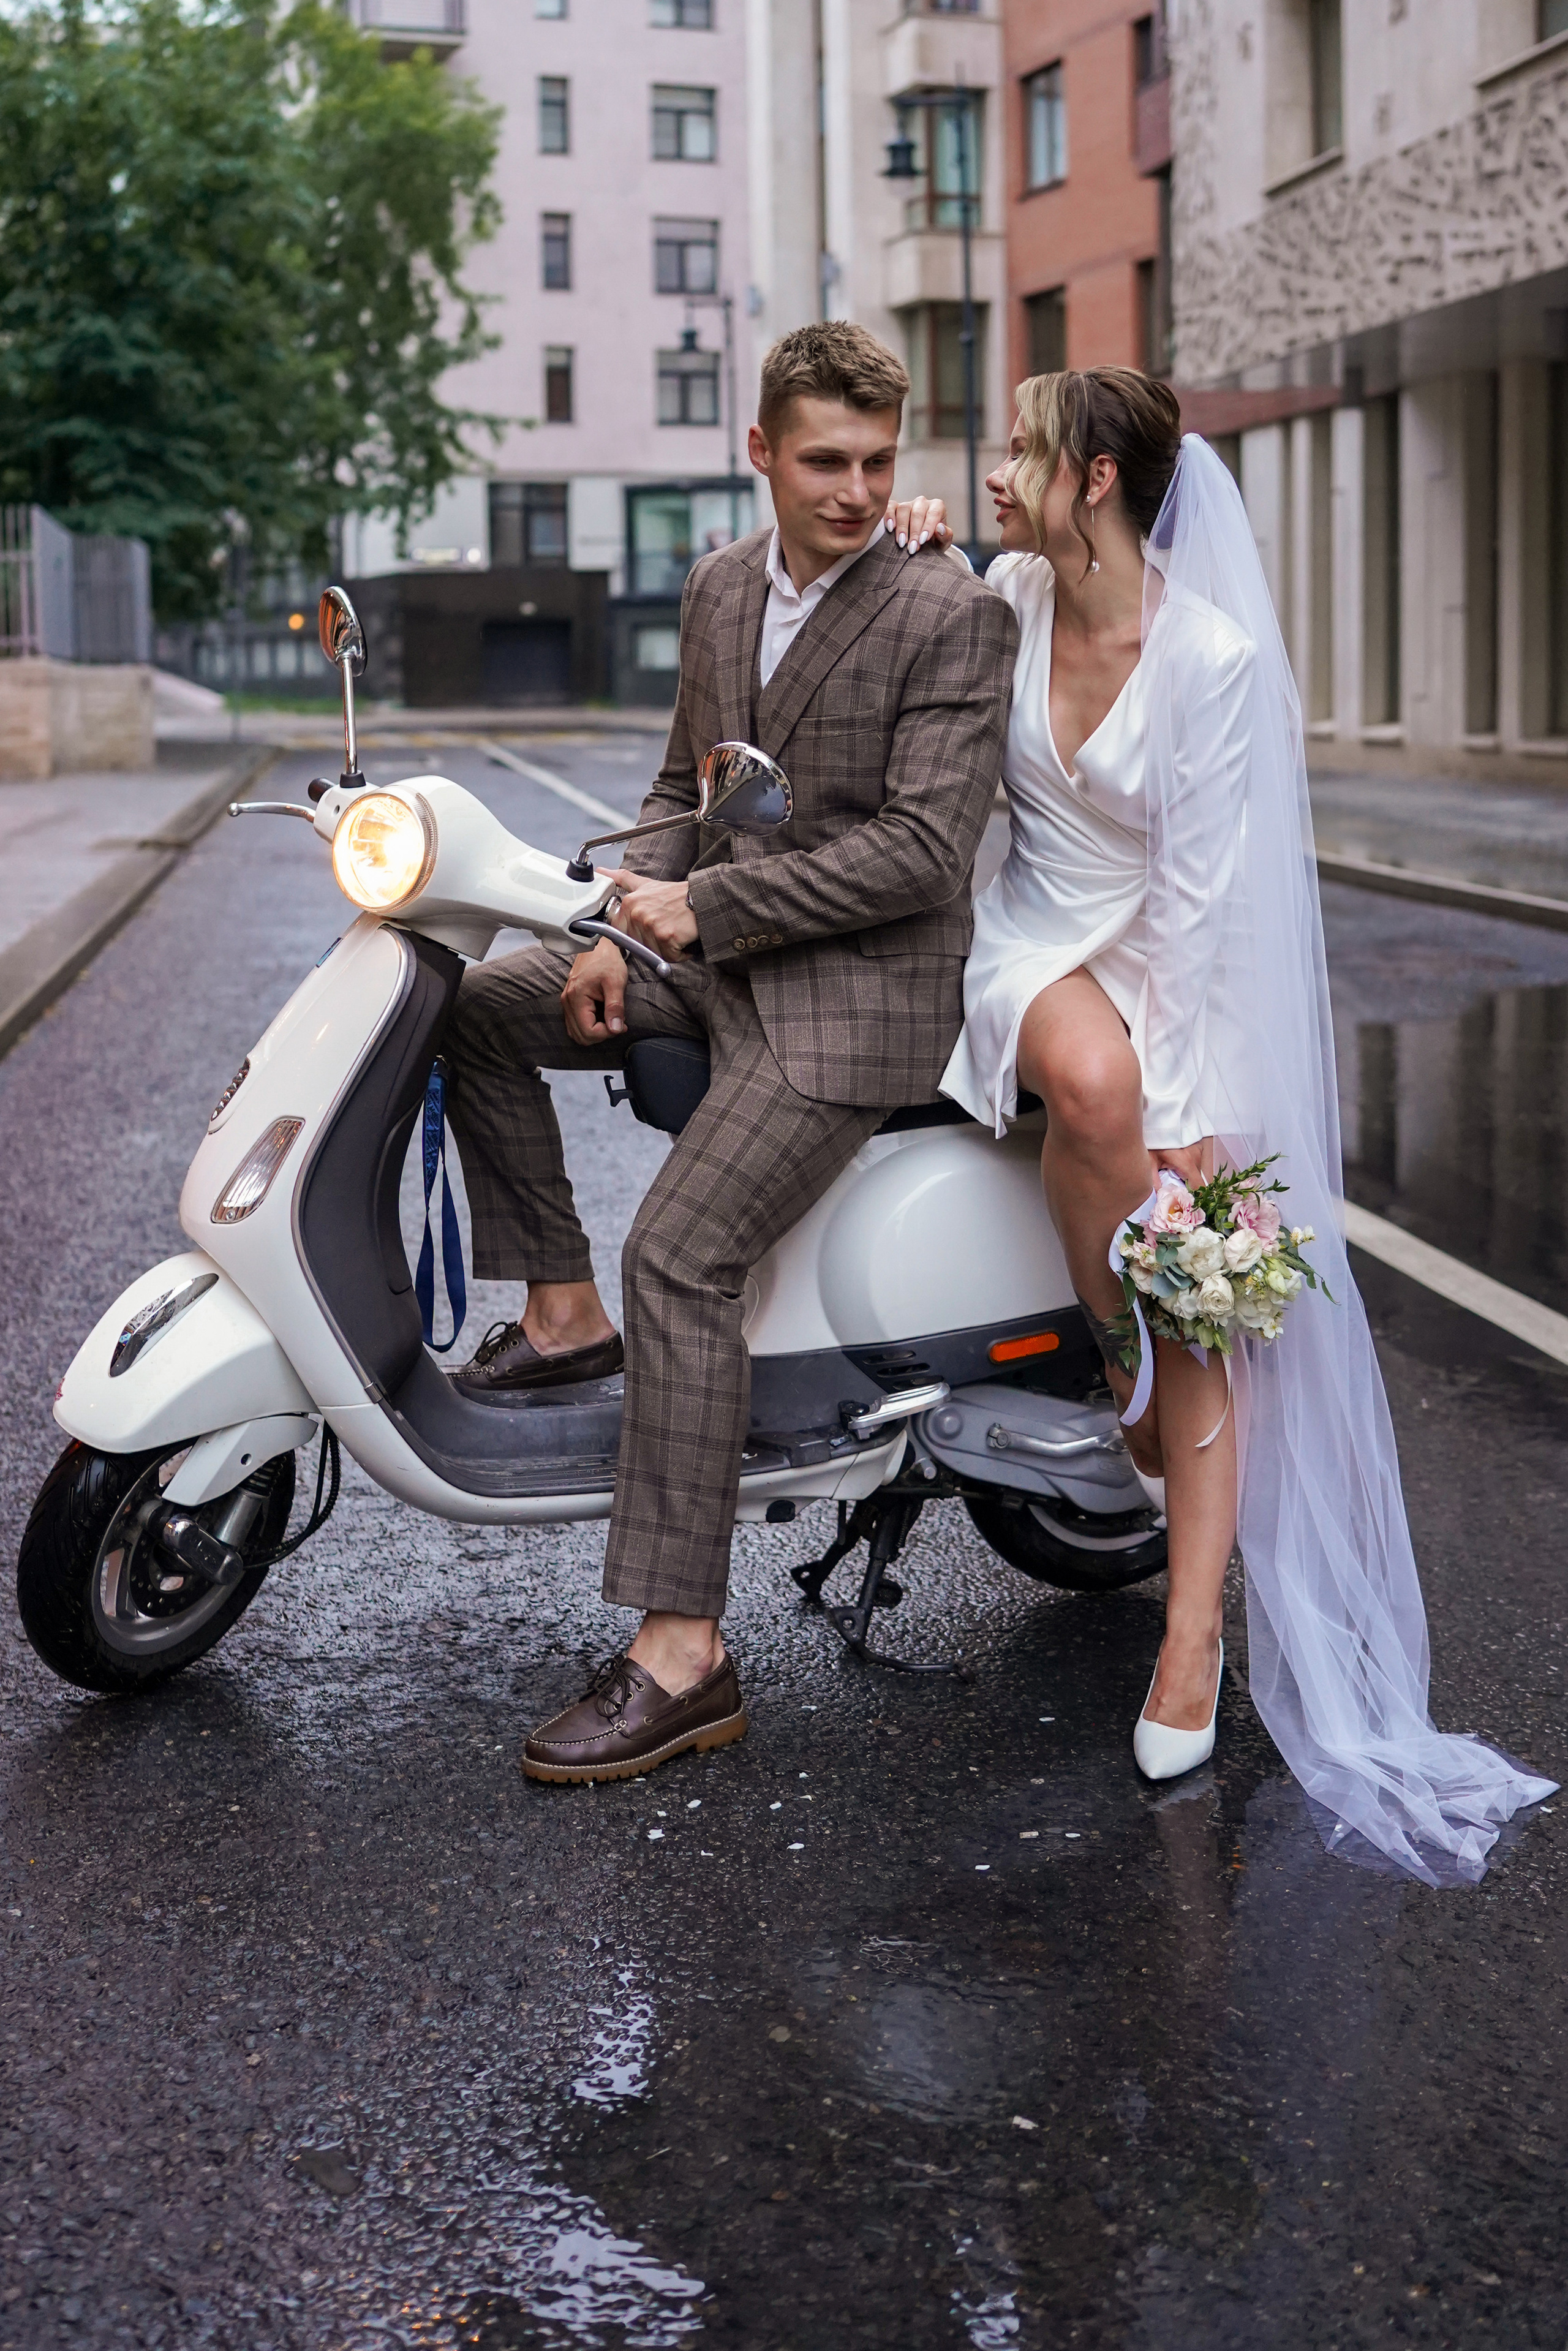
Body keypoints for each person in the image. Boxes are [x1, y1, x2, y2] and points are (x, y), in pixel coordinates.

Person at [886, 368, 1555, 1884]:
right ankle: (1120, 1365)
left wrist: (1198, 1127)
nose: (995, 475)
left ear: (1099, 478)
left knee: (1199, 1255)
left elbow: (1198, 910)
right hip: (1032, 941)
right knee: (1103, 1093)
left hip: (1175, 956)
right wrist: (915, 538)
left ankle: (1190, 1638)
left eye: (1019, 452)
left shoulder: (1214, 654)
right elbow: (908, 621)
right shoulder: (1002, 588)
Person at [442, 322, 1017, 1786]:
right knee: (475, 1007)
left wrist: (703, 907)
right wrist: (604, 931)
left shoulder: (945, 611)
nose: (852, 488)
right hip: (712, 958)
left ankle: (683, 1651)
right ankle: (559, 1311)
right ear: (757, 450)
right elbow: (673, 783)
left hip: (855, 994)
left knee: (683, 1257)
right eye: (823, 459)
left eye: (878, 461)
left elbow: (921, 851)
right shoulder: (712, 587)